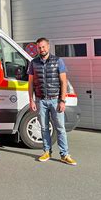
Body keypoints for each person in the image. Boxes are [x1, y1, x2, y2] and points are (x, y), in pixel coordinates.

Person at [28, 37, 77, 165]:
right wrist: (31, 101)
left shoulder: (58, 61)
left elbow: (63, 82)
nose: (41, 49)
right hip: (40, 100)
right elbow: (31, 83)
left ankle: (64, 154)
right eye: (39, 47)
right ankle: (46, 152)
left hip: (55, 100)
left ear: (48, 47)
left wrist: (62, 100)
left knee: (60, 128)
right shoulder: (33, 63)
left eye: (43, 47)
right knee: (44, 127)